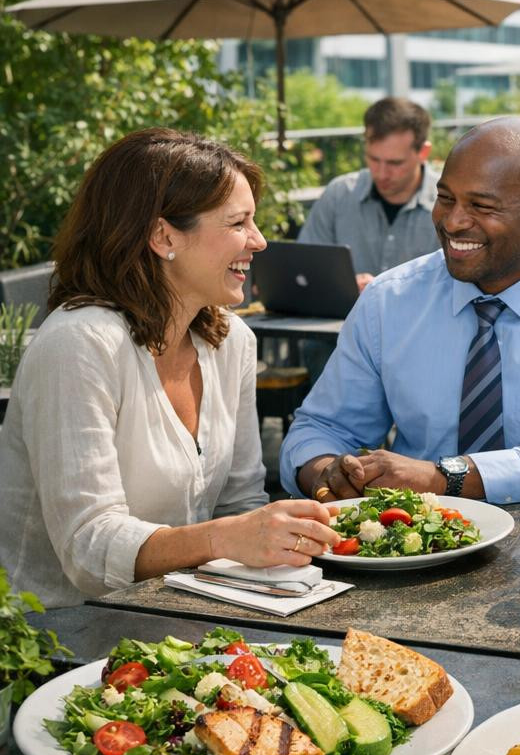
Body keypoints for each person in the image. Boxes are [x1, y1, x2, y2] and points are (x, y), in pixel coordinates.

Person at [0, 129, 340, 609]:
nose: (259, 241)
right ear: (164, 236)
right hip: (56, 641)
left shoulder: (230, 341)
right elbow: (88, 548)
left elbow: (238, 504)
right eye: (238, 223)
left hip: (180, 620)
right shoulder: (79, 343)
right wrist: (225, 539)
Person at [280, 118, 520, 504]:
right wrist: (327, 473)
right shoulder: (388, 301)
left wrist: (450, 478)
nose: (453, 222)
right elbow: (320, 428)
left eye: (482, 206)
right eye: (446, 198)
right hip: (416, 549)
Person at [298, 97, 439, 291]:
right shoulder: (339, 194)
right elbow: (304, 270)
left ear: (423, 152)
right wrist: (343, 286)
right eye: (373, 159)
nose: (381, 173)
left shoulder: (449, 205)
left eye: (394, 163)